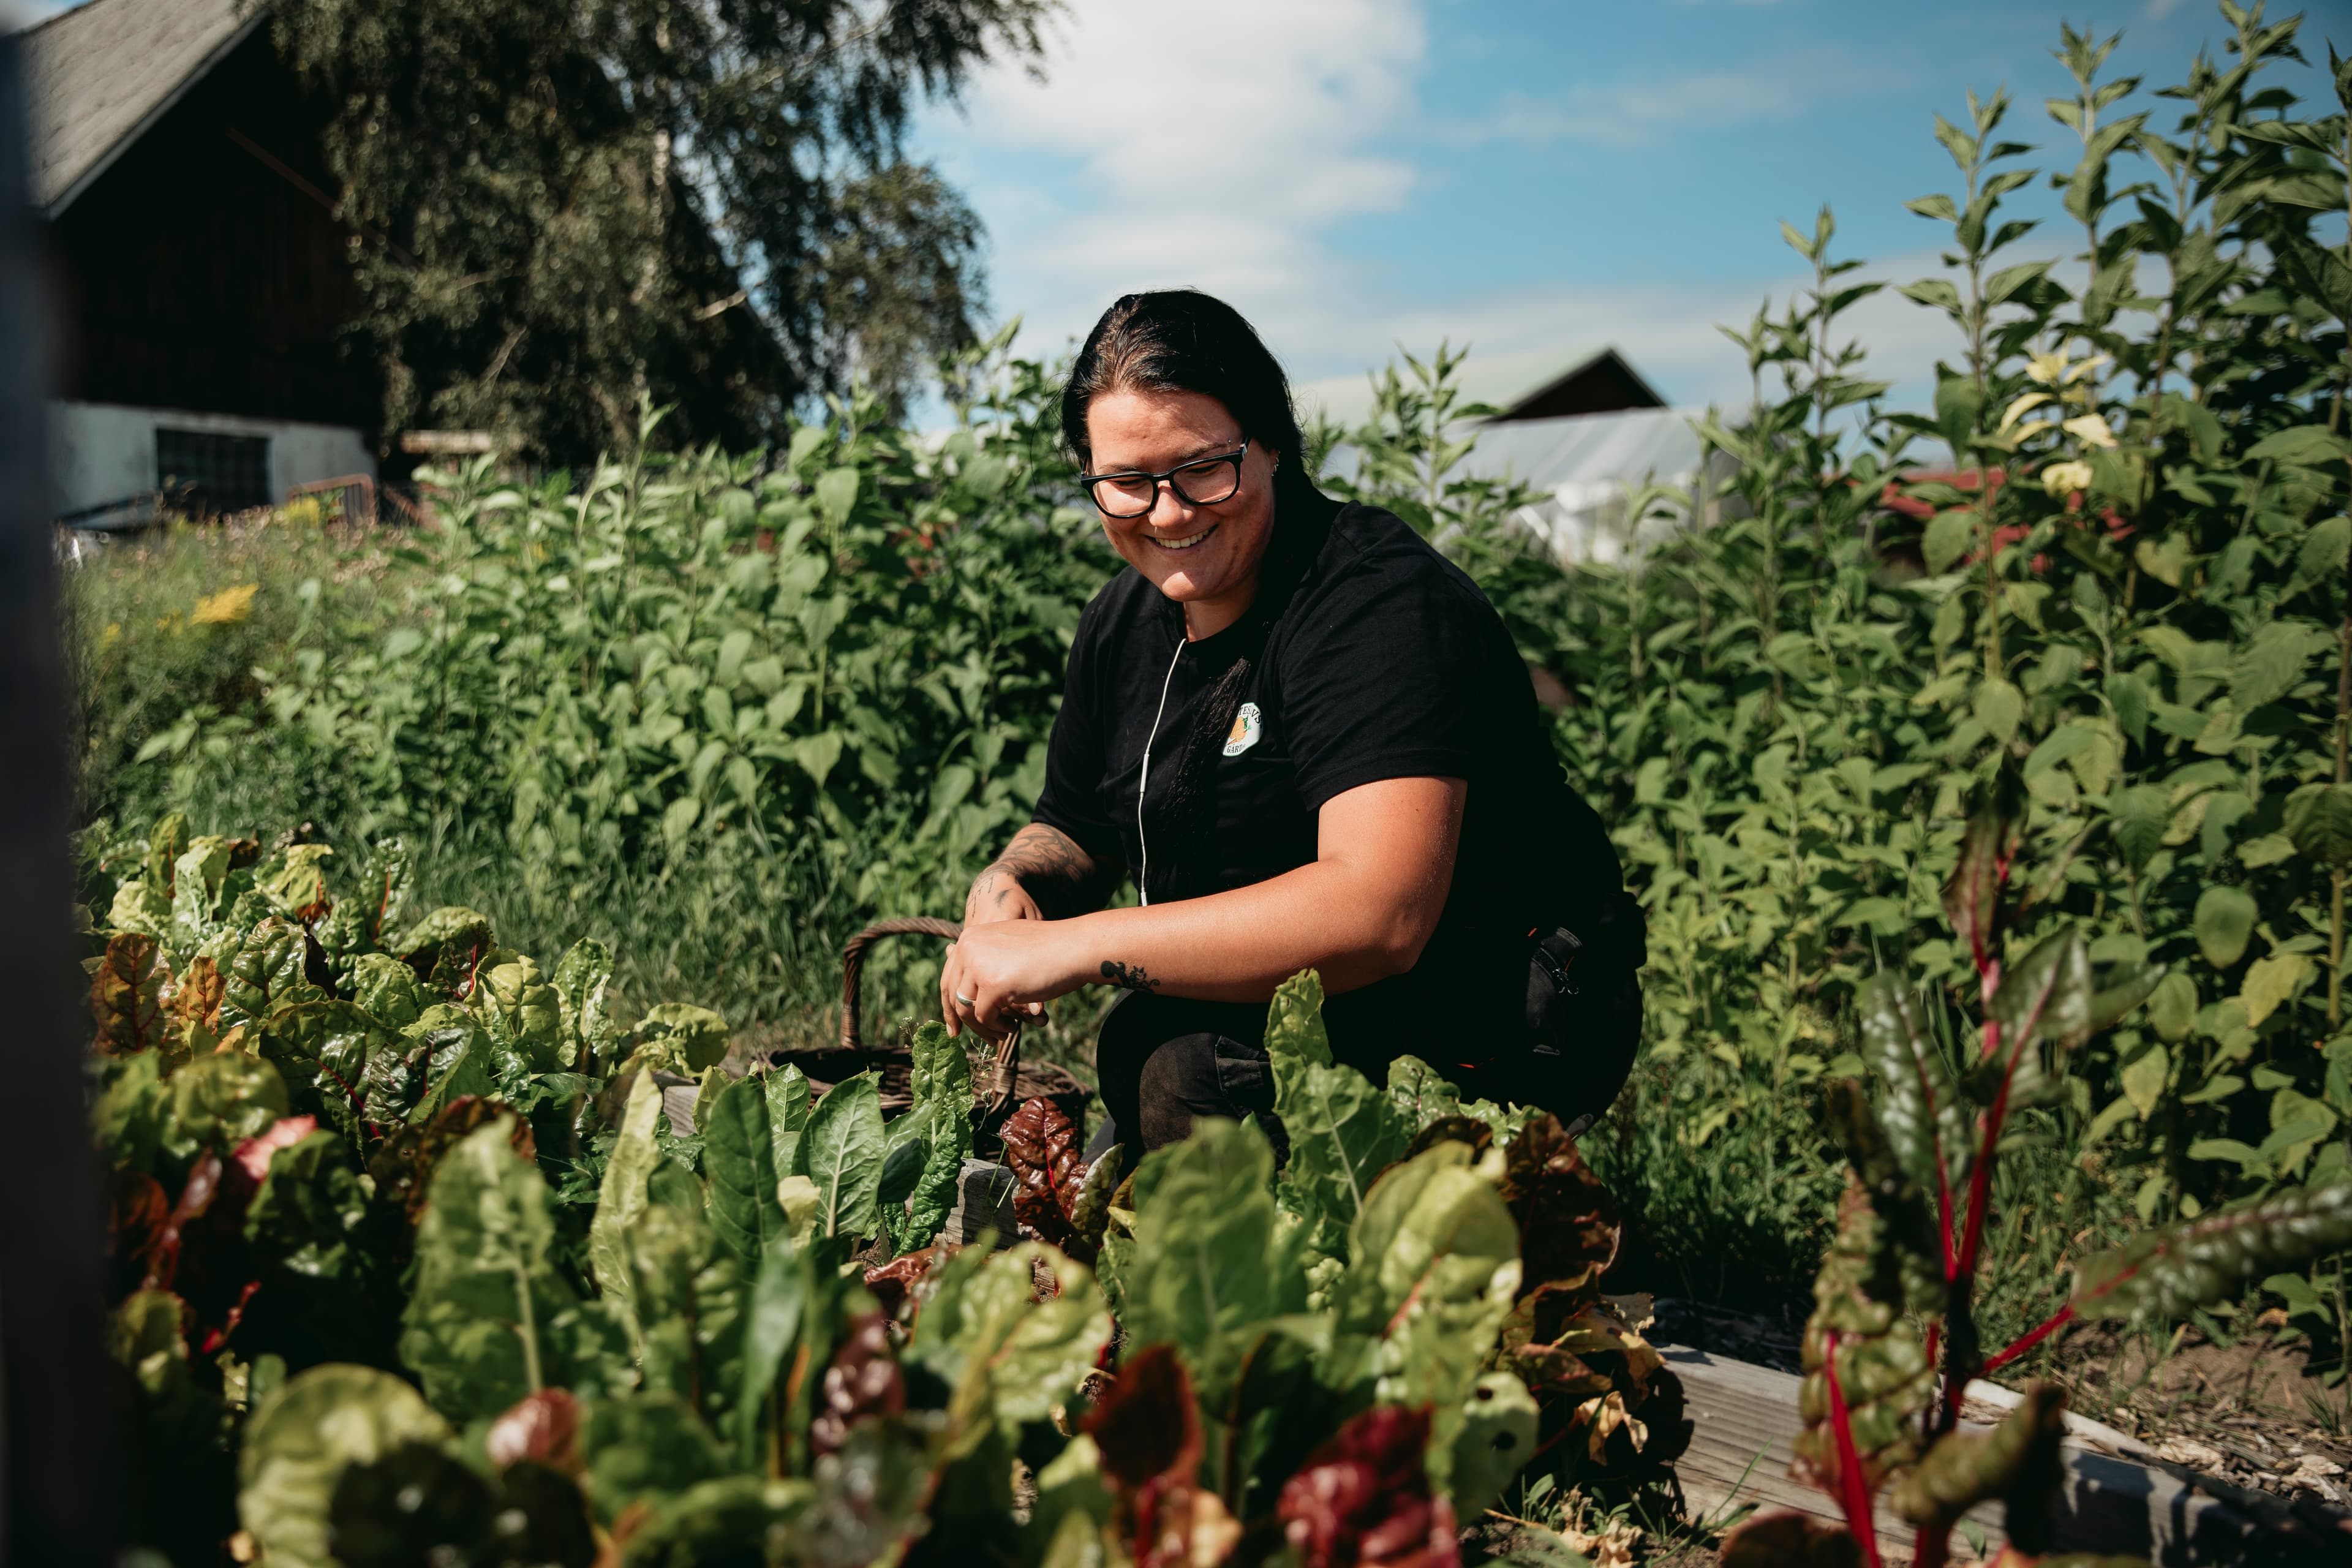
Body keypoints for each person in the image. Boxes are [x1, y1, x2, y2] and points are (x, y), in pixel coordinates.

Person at [938, 289, 1641, 1165]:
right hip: (1296, 1005)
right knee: (1140, 1096)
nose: (1166, 513)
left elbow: (1379, 914)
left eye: (1202, 469)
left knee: (1184, 1068)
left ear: (1271, 443)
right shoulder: (1124, 621)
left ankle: (1373, 1270)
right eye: (1125, 484)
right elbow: (1075, 825)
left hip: (1493, 1015)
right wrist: (1013, 890)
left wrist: (1075, 950)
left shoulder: (1375, 607)